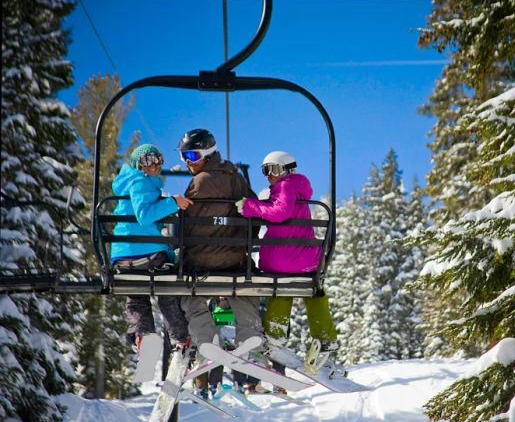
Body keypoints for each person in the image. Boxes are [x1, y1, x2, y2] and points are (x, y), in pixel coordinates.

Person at [238, 151, 344, 381]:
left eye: (273, 169)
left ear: (287, 169)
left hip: (283, 258)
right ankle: (324, 339)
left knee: (280, 290)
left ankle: (275, 336)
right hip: (307, 259)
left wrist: (251, 207)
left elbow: (280, 212)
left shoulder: (286, 186)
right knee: (314, 291)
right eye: (265, 171)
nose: (269, 176)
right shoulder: (297, 187)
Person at [177, 128, 266, 398]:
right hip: (235, 262)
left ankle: (207, 351)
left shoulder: (198, 183)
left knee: (192, 303)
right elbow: (255, 216)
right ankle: (247, 361)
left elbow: (185, 229)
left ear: (206, 153)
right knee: (245, 299)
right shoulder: (236, 179)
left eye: (191, 155)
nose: (187, 162)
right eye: (183, 157)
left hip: (198, 264)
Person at [110, 144, 192, 353]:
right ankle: (180, 337)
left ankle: (143, 335)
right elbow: (144, 215)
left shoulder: (129, 183)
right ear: (138, 165)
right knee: (166, 289)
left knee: (137, 294)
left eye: (158, 159)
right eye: (147, 161)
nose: (154, 165)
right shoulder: (139, 182)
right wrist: (173, 202)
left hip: (123, 258)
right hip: (147, 254)